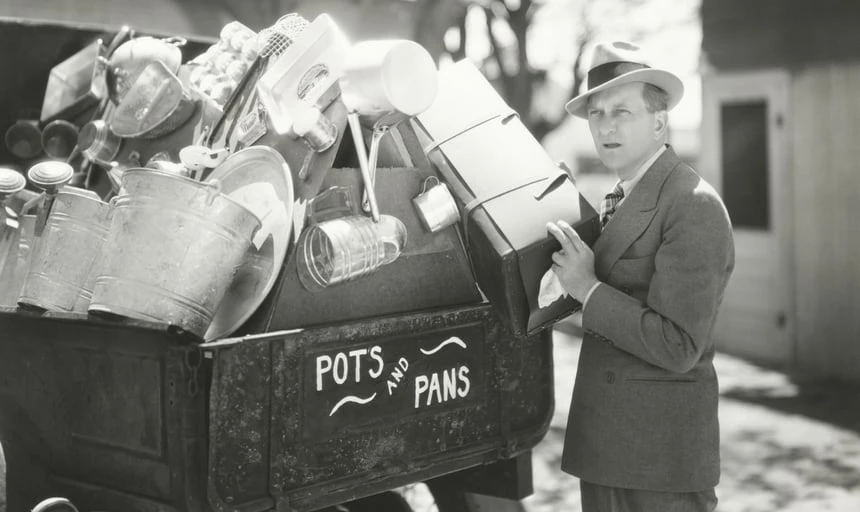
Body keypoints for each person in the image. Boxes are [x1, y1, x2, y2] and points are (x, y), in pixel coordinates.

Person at [546, 41, 735, 512]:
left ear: (659, 120)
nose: (606, 126)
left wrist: (587, 288)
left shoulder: (692, 204)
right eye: (596, 113)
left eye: (622, 112)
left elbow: (678, 345)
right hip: (605, 452)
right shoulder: (614, 198)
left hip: (661, 464)